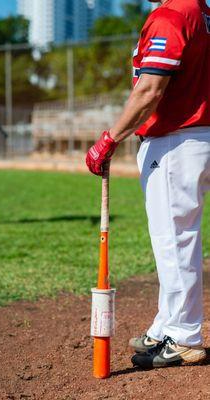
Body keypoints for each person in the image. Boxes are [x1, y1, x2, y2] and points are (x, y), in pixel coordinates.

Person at [86, 0, 210, 368]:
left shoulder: (172, 15)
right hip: (194, 136)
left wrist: (110, 138)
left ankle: (184, 336)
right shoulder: (202, 12)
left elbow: (150, 89)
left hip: (176, 139)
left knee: (174, 241)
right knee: (175, 239)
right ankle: (167, 325)